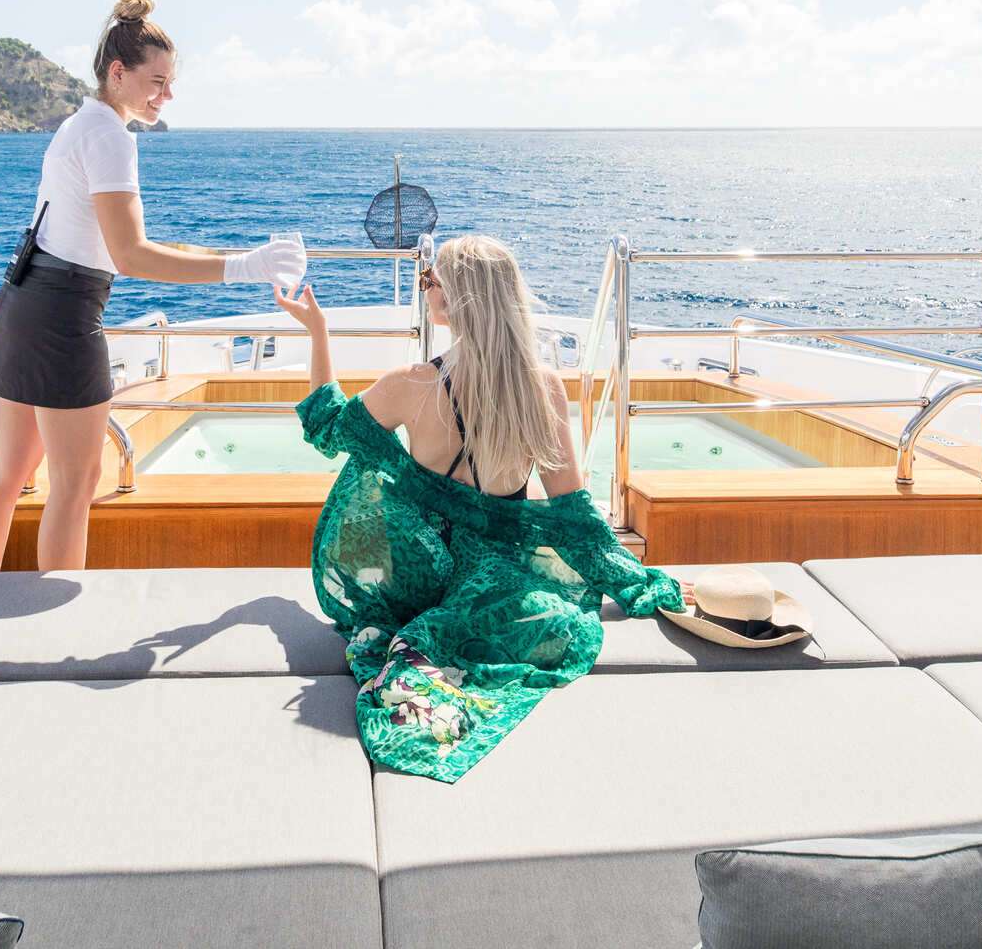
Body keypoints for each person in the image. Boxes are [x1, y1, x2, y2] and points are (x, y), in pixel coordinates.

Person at [273, 235, 682, 783]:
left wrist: (318, 331)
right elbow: (574, 518)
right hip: (494, 578)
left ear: (453, 298)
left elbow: (326, 428)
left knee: (370, 464)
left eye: (430, 280)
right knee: (535, 612)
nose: (425, 288)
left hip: (413, 582)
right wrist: (635, 581)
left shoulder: (411, 386)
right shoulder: (543, 390)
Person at [0, 0, 304, 572]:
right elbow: (131, 255)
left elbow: (120, 240)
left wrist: (245, 256)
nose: (165, 96)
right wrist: (244, 269)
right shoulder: (111, 137)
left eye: (170, 84)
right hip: (63, 313)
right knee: (77, 481)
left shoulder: (81, 124)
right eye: (157, 82)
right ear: (118, 73)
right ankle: (56, 614)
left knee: (8, 471)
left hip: (24, 299)